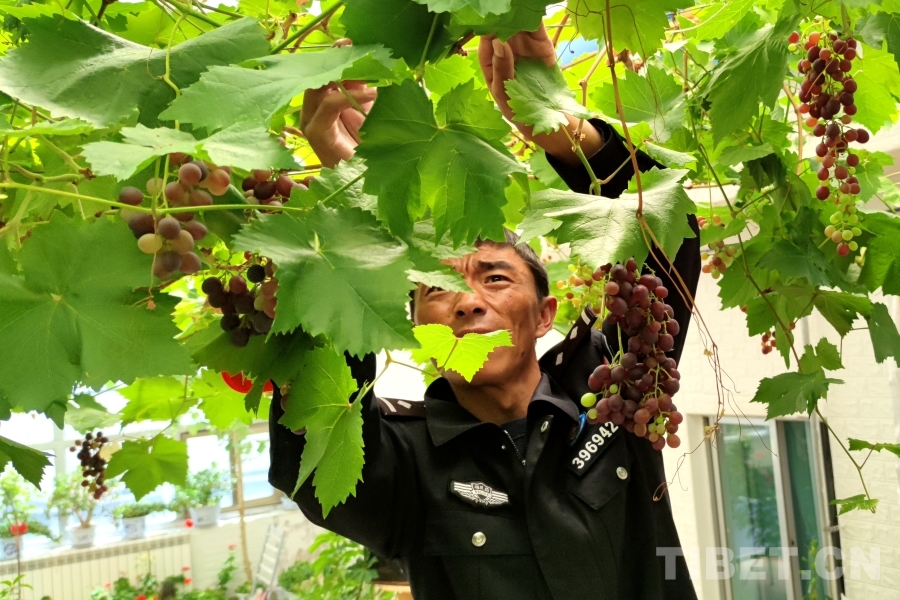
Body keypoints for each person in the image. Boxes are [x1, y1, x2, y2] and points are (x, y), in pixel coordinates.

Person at [269, 24, 701, 600]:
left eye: (496, 278)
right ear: (415, 326)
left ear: (545, 314)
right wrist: (359, 206)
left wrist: (567, 133)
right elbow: (312, 440)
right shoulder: (399, 457)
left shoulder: (613, 390)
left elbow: (667, 241)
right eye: (438, 288)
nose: (468, 300)